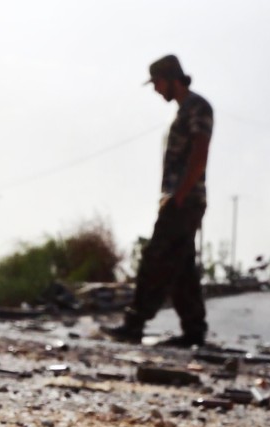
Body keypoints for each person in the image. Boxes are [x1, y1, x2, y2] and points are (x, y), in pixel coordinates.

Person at [103, 55, 213, 347]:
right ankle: (194, 330)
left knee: (157, 259)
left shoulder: (197, 107)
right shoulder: (182, 111)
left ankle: (134, 323)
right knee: (181, 267)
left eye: (158, 83)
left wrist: (178, 195)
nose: (156, 90)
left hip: (185, 200)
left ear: (171, 78)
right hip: (180, 199)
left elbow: (200, 153)